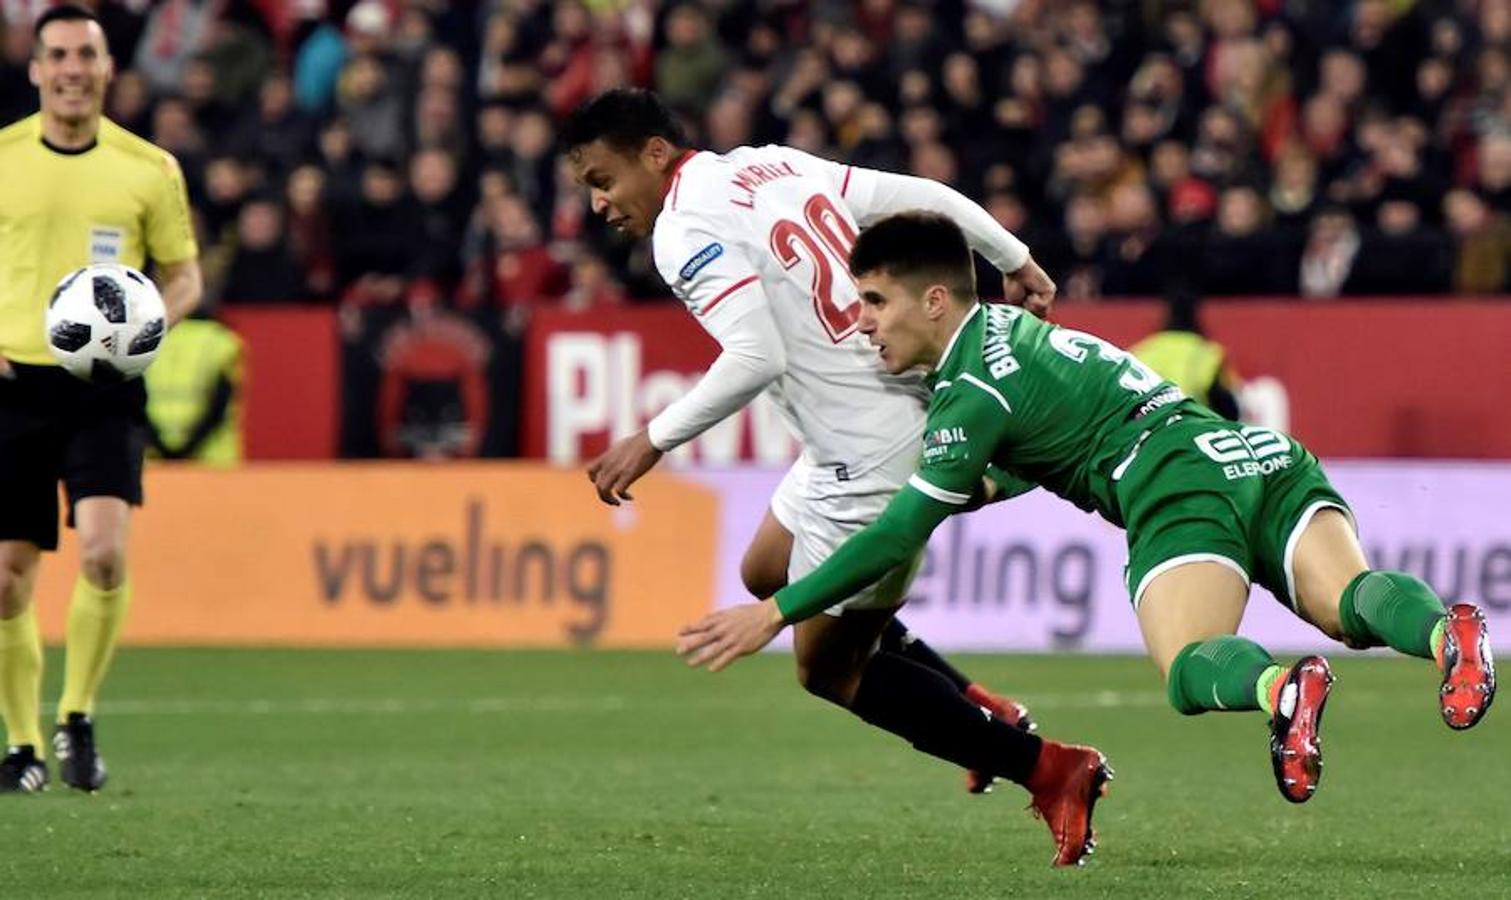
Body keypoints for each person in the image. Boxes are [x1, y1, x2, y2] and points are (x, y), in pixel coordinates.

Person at [678, 212, 1495, 809]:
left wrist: (776, 612)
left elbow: (897, 530)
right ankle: (1444, 634)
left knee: (1187, 667)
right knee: (1350, 605)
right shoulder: (1012, 332)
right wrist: (989, 485)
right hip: (1255, 453)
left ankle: (1282, 689)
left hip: (1174, 488)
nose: (862, 325)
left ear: (933, 301)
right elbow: (1054, 439)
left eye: (874, 303)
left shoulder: (969, 393)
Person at [563, 89, 1111, 867]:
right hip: (845, 433)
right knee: (764, 569)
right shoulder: (767, 164)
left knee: (829, 671)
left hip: (871, 450)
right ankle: (975, 709)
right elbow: (923, 200)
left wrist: (652, 439)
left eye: (603, 179)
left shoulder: (684, 230)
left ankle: (1049, 768)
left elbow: (756, 357)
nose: (598, 204)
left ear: (653, 153)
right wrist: (1012, 258)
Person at [0, 5, 203, 793]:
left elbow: (184, 273)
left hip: (106, 387)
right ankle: (20, 746)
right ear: (36, 68)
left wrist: (153, 320)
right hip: (13, 383)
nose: (72, 68)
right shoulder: (5, 157)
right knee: (8, 579)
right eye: (58, 55)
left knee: (106, 554)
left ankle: (76, 718)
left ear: (110, 67)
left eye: (86, 53)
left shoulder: (148, 167)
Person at [1128, 284, 1241, 420]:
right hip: (1193, 428)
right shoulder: (1209, 353)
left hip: (1148, 431)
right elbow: (1228, 407)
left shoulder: (1142, 351)